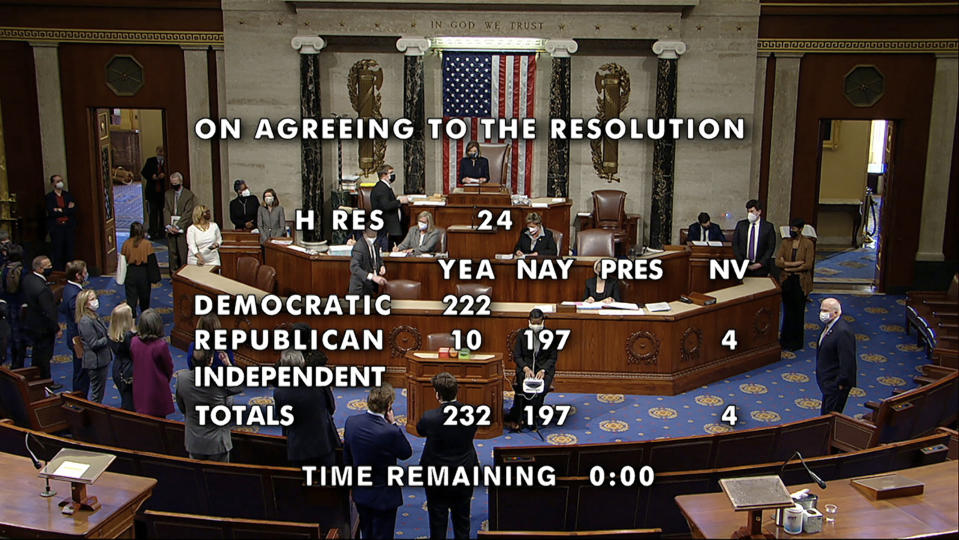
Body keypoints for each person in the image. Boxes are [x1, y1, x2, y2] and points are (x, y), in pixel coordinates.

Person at [343, 383, 413, 539]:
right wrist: (394, 423)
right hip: (384, 497)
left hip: (361, 491)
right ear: (389, 406)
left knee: (366, 532)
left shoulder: (351, 422)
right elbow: (406, 453)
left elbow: (347, 456)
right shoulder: (390, 431)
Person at [416, 372, 479, 540]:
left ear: (438, 395)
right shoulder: (472, 413)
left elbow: (420, 430)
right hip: (464, 472)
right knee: (462, 520)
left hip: (436, 475)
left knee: (437, 520)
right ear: (456, 392)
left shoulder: (430, 417)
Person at [274, 346, 340, 467]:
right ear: (303, 363)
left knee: (300, 483)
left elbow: (281, 419)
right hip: (323, 443)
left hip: (298, 449)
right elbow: (331, 408)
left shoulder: (279, 392)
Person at [176, 348, 242, 461]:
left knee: (198, 477)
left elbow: (182, 407)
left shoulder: (181, 378)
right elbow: (239, 387)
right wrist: (229, 365)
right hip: (218, 444)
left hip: (194, 442)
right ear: (210, 361)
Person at [505, 309, 558, 431]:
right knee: (526, 387)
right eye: (533, 323)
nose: (535, 326)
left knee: (541, 389)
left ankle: (533, 416)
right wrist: (526, 368)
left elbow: (553, 357)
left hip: (544, 369)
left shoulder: (551, 335)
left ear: (543, 322)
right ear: (529, 322)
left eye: (538, 323)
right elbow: (517, 356)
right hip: (525, 368)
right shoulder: (522, 335)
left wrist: (543, 370)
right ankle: (521, 415)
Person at [776, 218, 815, 351]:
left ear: (800, 229)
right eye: (790, 228)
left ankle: (796, 342)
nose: (791, 231)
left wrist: (789, 267)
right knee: (788, 311)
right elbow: (778, 262)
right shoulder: (785, 243)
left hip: (800, 281)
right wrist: (794, 264)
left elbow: (808, 264)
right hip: (787, 281)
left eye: (794, 228)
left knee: (798, 312)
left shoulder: (808, 244)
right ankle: (785, 340)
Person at [22, 256, 61, 386]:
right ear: (39, 269)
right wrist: (56, 328)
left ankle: (36, 378)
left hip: (31, 323)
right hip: (44, 327)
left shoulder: (28, 279)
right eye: (48, 266)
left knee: (37, 353)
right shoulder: (42, 289)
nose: (51, 268)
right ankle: (45, 381)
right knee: (45, 355)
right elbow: (48, 312)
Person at [131, 308, 174, 418]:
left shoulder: (134, 342)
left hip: (140, 387)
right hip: (157, 390)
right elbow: (168, 368)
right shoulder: (161, 346)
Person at [816, 298, 856, 415]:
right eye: (821, 310)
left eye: (826, 311)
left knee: (830, 418)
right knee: (825, 415)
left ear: (836, 313)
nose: (822, 314)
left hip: (836, 386)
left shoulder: (843, 332)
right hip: (828, 383)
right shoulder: (831, 326)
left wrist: (838, 384)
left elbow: (847, 362)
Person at [76, 289, 111, 403]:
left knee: (99, 392)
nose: (95, 301)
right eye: (92, 299)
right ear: (84, 303)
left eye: (95, 298)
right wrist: (109, 338)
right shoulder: (85, 321)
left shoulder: (94, 315)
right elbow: (93, 344)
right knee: (97, 394)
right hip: (95, 362)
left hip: (102, 359)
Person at [60, 260, 88, 396]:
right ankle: (80, 399)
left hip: (75, 335)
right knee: (81, 371)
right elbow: (78, 318)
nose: (86, 274)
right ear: (78, 275)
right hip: (78, 338)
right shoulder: (74, 293)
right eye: (85, 272)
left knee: (80, 370)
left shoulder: (69, 288)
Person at [163, 171, 196, 276]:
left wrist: (178, 226)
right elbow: (166, 210)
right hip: (170, 228)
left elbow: (188, 212)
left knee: (182, 252)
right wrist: (169, 225)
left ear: (181, 182)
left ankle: (184, 274)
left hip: (182, 228)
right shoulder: (168, 194)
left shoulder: (188, 195)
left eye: (176, 184)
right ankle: (173, 274)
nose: (174, 186)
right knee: (172, 253)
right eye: (172, 184)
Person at [732, 199, 776, 277]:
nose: (749, 214)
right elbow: (735, 244)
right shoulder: (741, 225)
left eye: (752, 211)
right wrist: (742, 262)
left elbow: (770, 247)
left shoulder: (768, 227)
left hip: (761, 267)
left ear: (759, 212)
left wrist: (760, 263)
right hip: (743, 267)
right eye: (748, 211)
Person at [370, 164, 409, 250]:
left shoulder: (384, 187)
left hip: (391, 226)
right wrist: (400, 201)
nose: (393, 175)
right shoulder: (381, 188)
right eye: (390, 173)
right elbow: (385, 205)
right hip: (388, 226)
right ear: (384, 175)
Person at [120, 222, 155, 314]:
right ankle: (145, 321)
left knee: (131, 300)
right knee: (145, 301)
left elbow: (122, 263)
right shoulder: (147, 244)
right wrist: (154, 278)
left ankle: (132, 325)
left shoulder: (126, 244)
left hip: (131, 273)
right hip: (143, 273)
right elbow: (152, 263)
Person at [0, 244, 27, 368]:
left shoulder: (4, 269)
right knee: (20, 336)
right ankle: (18, 364)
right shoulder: (23, 271)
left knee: (11, 332)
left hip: (7, 304)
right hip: (19, 305)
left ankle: (14, 361)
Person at [45, 174, 77, 270]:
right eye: (57, 181)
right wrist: (66, 209)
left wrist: (60, 210)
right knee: (57, 251)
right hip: (56, 228)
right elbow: (51, 212)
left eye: (61, 180)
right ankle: (59, 272)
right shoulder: (49, 197)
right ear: (52, 184)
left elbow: (73, 210)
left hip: (68, 227)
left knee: (69, 251)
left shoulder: (68, 195)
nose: (60, 183)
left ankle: (70, 271)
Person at [108, 303, 136, 411]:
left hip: (118, 368)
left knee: (126, 397)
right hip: (128, 371)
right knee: (131, 402)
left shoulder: (113, 334)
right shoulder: (128, 337)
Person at [348, 226, 387, 296]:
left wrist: (382, 266)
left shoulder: (376, 244)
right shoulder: (359, 247)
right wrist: (373, 277)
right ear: (364, 234)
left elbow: (378, 258)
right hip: (360, 288)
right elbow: (354, 267)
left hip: (371, 287)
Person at [141, 146, 168, 239]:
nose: (161, 153)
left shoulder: (167, 161)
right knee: (152, 213)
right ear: (156, 151)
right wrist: (151, 176)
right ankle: (153, 232)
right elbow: (144, 172)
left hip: (162, 193)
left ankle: (162, 231)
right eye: (159, 151)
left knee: (162, 213)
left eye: (162, 151)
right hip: (152, 192)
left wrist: (164, 175)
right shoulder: (150, 161)